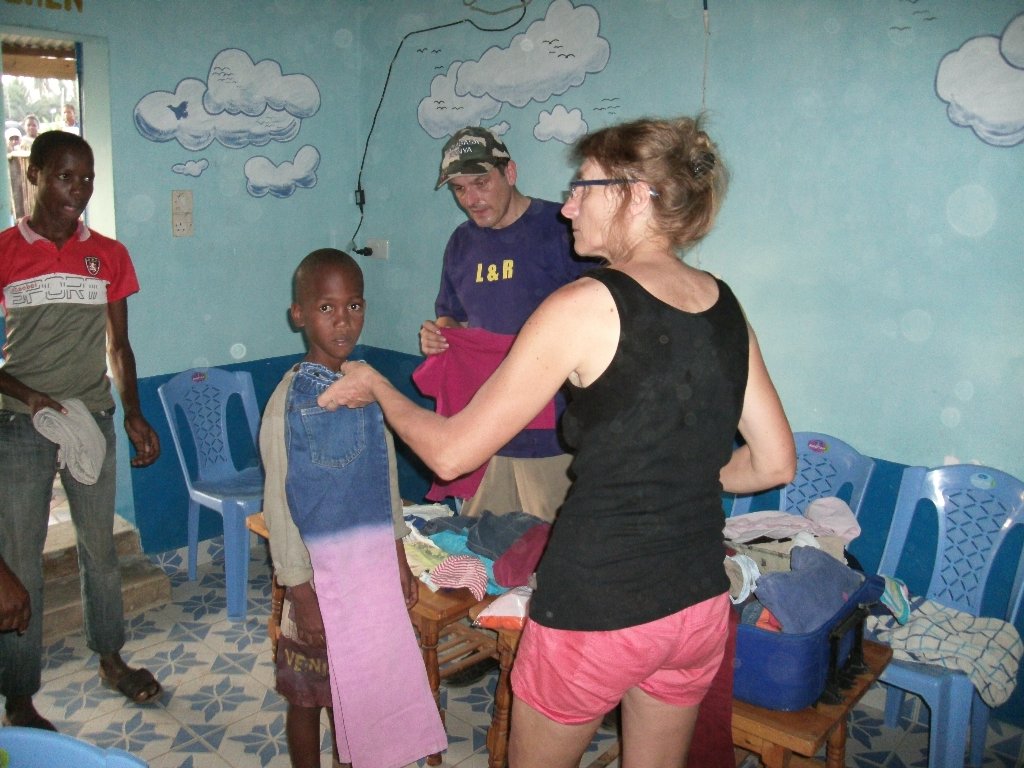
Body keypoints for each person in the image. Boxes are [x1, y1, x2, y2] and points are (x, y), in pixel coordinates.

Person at [316, 116, 796, 768]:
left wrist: (377, 384)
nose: (568, 204)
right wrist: (679, 477)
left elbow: (452, 452)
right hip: (696, 602)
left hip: (599, 603)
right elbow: (772, 461)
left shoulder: (582, 304)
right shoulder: (724, 304)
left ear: (636, 195)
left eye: (585, 187)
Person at [0, 130, 162, 730]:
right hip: (20, 424)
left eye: (88, 178)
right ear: (34, 175)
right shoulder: (4, 251)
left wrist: (134, 411)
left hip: (90, 416)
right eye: (67, 177)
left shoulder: (109, 255)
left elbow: (118, 345)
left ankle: (112, 659)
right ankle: (19, 695)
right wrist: (29, 395)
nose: (80, 190)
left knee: (99, 548)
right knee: (20, 560)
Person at [262, 248, 446, 768]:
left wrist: (399, 554)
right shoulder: (289, 402)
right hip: (316, 584)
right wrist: (299, 590)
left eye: (354, 305)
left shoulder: (367, 387)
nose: (342, 320)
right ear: (298, 313)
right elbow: (279, 504)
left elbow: (382, 482)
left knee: (360, 694)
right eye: (326, 308)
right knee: (308, 696)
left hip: (368, 579)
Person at [420, 125, 592, 525]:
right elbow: (452, 316)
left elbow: (602, 314)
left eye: (481, 182)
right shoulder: (461, 243)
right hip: (482, 429)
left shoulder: (564, 230)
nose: (472, 200)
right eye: (460, 189)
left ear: (510, 172)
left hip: (553, 434)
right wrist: (439, 335)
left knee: (552, 556)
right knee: (481, 552)